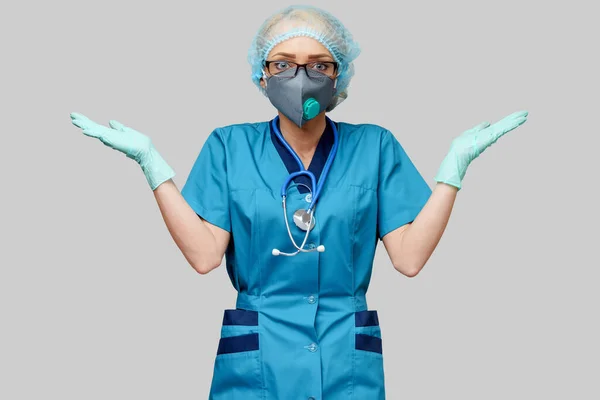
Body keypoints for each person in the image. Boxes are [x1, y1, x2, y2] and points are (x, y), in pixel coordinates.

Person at [69, 5, 528, 399]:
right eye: (284, 63)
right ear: (262, 74)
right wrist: (153, 166)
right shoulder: (229, 146)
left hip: (344, 356)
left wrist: (453, 171)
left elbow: (409, 258)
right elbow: (204, 255)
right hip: (258, 358)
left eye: (319, 64)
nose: (301, 77)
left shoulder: (375, 146)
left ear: (339, 73)